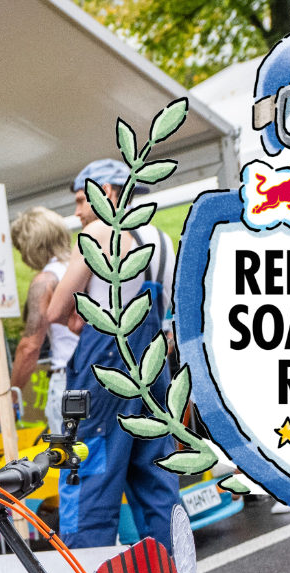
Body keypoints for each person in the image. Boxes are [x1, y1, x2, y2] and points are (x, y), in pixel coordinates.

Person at [43, 159, 181, 548]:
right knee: (157, 479)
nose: (77, 212)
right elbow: (168, 316)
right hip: (153, 367)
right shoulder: (162, 240)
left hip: (101, 371)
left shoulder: (99, 232)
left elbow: (56, 310)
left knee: (85, 472)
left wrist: (78, 318)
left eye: (80, 200)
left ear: (106, 192)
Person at [9, 207, 81, 435]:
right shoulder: (84, 267)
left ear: (32, 246)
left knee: (70, 454)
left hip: (68, 379)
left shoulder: (45, 281)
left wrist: (12, 394)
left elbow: (30, 346)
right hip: (99, 371)